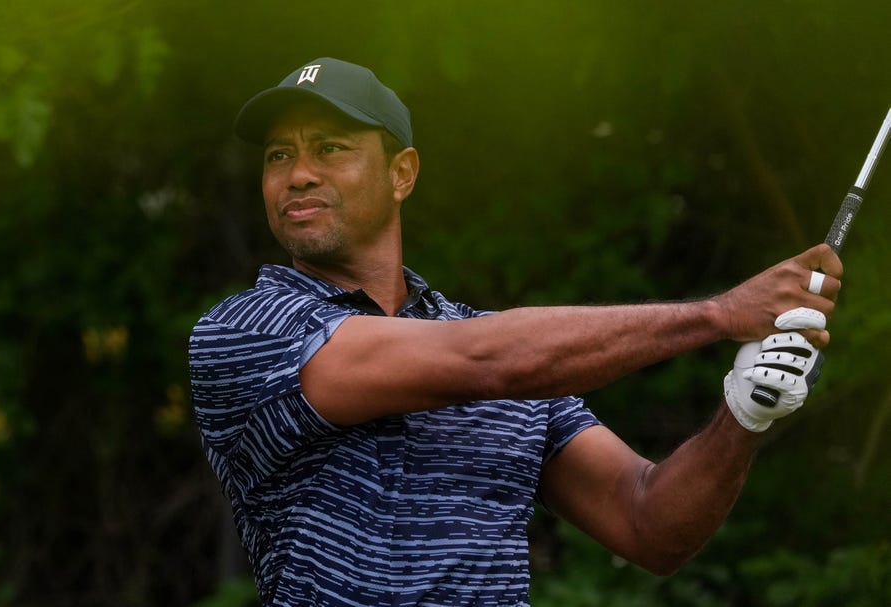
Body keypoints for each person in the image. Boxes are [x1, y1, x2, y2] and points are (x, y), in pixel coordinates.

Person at [189, 57, 842, 606]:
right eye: (279, 155)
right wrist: (719, 313)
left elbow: (648, 522)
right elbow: (486, 362)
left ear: (402, 173)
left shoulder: (502, 346)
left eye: (330, 148)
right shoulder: (245, 332)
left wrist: (743, 413)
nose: (299, 173)